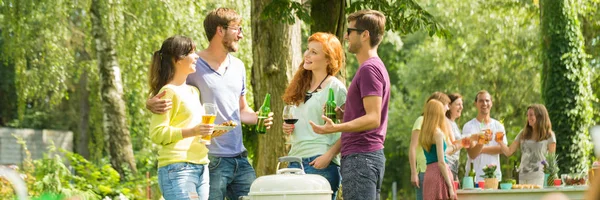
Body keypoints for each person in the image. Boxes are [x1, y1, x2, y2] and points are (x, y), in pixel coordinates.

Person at [146, 8, 274, 200]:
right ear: (220, 30)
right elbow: (168, 87)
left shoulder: (238, 66)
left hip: (239, 156)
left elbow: (241, 110)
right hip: (209, 158)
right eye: (237, 28)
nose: (241, 34)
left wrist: (258, 118)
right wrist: (150, 102)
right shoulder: (193, 65)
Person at [310, 9, 389, 200]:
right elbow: (367, 114)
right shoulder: (372, 67)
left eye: (350, 31)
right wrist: (343, 115)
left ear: (364, 35)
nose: (345, 36)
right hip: (366, 157)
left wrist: (336, 128)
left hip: (360, 158)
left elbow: (373, 118)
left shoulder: (369, 69)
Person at [281, 32, 347, 200]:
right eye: (307, 50)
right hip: (295, 161)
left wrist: (329, 155)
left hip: (320, 161)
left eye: (314, 52)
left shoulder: (336, 88)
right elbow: (298, 121)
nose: (307, 55)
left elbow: (350, 129)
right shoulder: (300, 86)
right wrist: (288, 128)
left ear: (328, 60)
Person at [148, 36, 214, 200]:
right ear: (177, 59)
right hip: (178, 167)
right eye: (191, 52)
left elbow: (193, 127)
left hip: (201, 165)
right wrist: (193, 131)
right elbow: (158, 133)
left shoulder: (193, 91)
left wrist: (206, 131)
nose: (197, 56)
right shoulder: (168, 92)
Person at [498, 104, 556, 185]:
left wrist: (552, 180)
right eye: (527, 115)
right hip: (522, 177)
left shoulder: (549, 135)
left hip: (539, 178)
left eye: (531, 115)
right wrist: (499, 141)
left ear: (540, 116)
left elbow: (551, 161)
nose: (528, 117)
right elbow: (509, 152)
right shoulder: (523, 133)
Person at [409, 92, 451, 200]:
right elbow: (413, 147)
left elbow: (444, 150)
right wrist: (414, 172)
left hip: (434, 170)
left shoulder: (438, 127)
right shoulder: (422, 121)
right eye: (445, 104)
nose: (447, 108)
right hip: (425, 169)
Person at [462, 90, 507, 182]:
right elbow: (472, 154)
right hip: (474, 178)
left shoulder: (498, 126)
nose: (484, 103)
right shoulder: (468, 127)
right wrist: (482, 140)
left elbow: (503, 149)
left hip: (494, 178)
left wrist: (481, 149)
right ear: (476, 104)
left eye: (487, 100)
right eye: (481, 101)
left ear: (491, 103)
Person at [419, 100, 457, 200]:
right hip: (439, 174)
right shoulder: (438, 133)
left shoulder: (424, 133)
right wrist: (450, 187)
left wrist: (454, 147)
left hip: (429, 174)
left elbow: (437, 153)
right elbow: (441, 162)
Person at [445, 93, 464, 181]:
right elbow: (452, 144)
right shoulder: (446, 121)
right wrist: (469, 139)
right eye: (458, 104)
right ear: (449, 106)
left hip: (454, 167)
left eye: (462, 104)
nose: (461, 107)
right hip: (448, 166)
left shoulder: (454, 124)